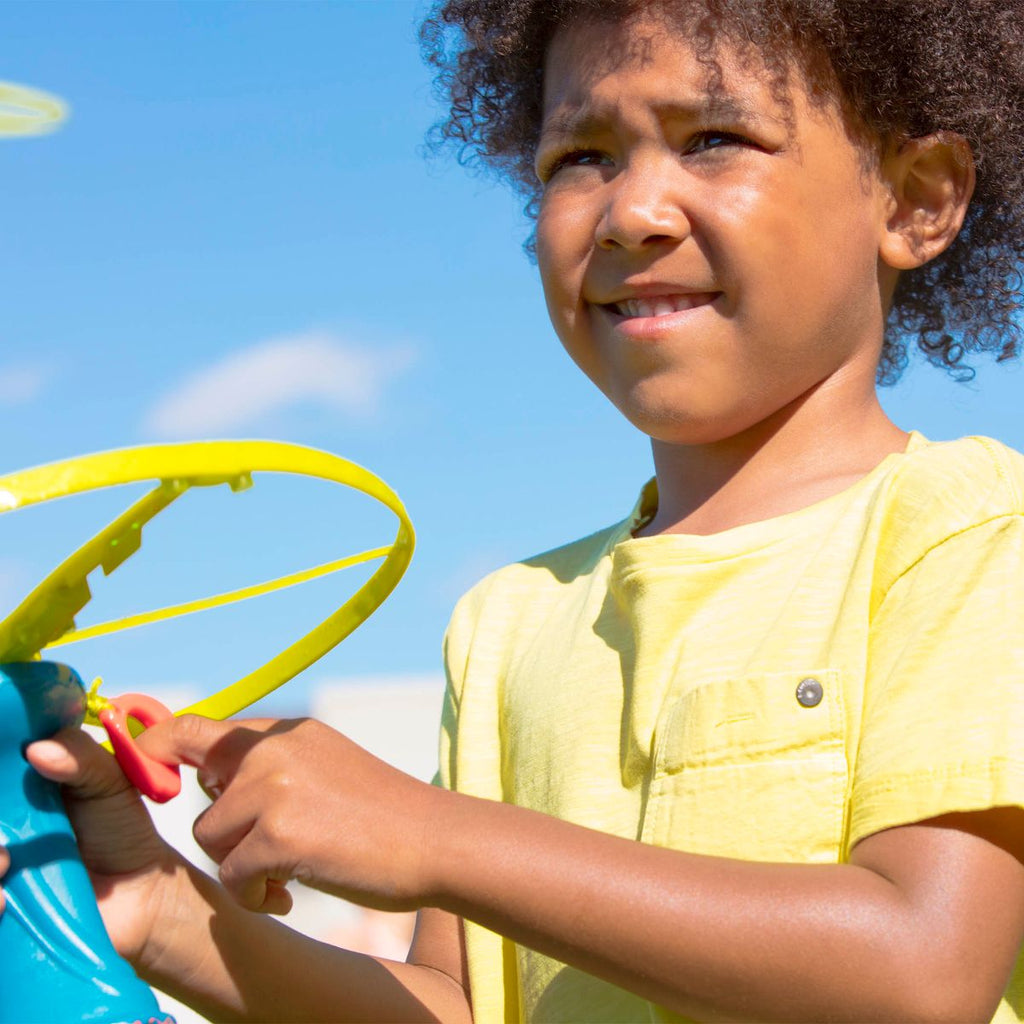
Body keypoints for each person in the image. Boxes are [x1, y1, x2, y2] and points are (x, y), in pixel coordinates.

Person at [4, 1, 1024, 1019]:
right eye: (579, 157)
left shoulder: (968, 532)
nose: (632, 211)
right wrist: (162, 912)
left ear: (914, 201)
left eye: (713, 140)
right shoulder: (509, 619)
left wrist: (430, 833)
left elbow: (921, 969)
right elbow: (454, 1003)